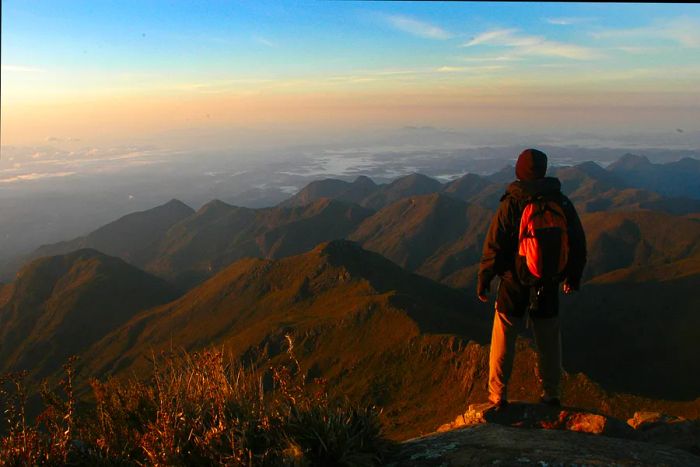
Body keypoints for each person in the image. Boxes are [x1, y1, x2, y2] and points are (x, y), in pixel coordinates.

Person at [477, 148, 586, 409]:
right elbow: (578, 243)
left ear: (520, 170)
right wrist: (573, 276)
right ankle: (552, 393)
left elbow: (494, 245)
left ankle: (497, 396)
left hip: (514, 280)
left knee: (504, 334)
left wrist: (485, 279)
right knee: (549, 338)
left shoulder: (512, 202)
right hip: (548, 280)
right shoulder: (562, 202)